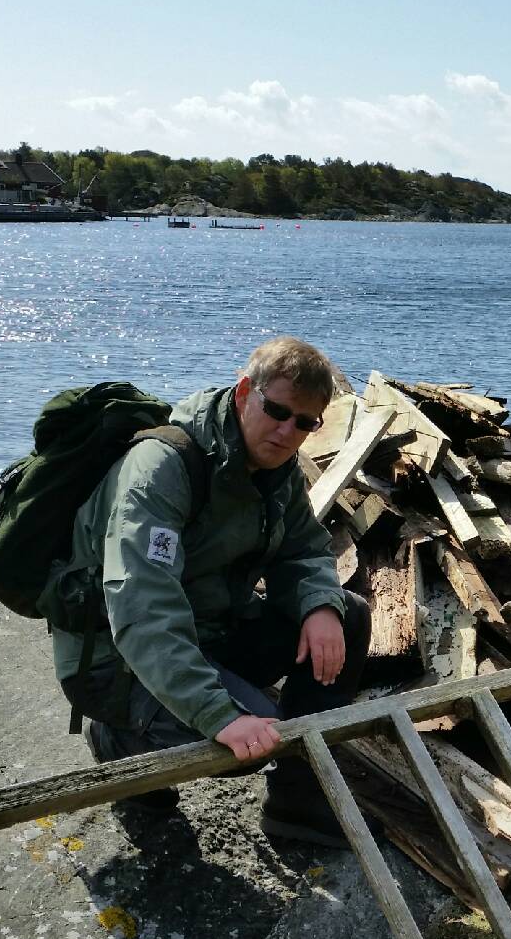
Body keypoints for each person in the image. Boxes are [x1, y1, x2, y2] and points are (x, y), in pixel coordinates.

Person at [43, 336, 370, 845]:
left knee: (348, 614)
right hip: (117, 660)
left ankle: (298, 805)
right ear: (245, 392)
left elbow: (303, 548)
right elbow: (142, 609)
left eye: (305, 422)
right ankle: (118, 740)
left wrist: (319, 605)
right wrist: (219, 714)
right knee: (254, 738)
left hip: (209, 629)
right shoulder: (162, 467)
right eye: (278, 411)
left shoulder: (273, 468)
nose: (287, 432)